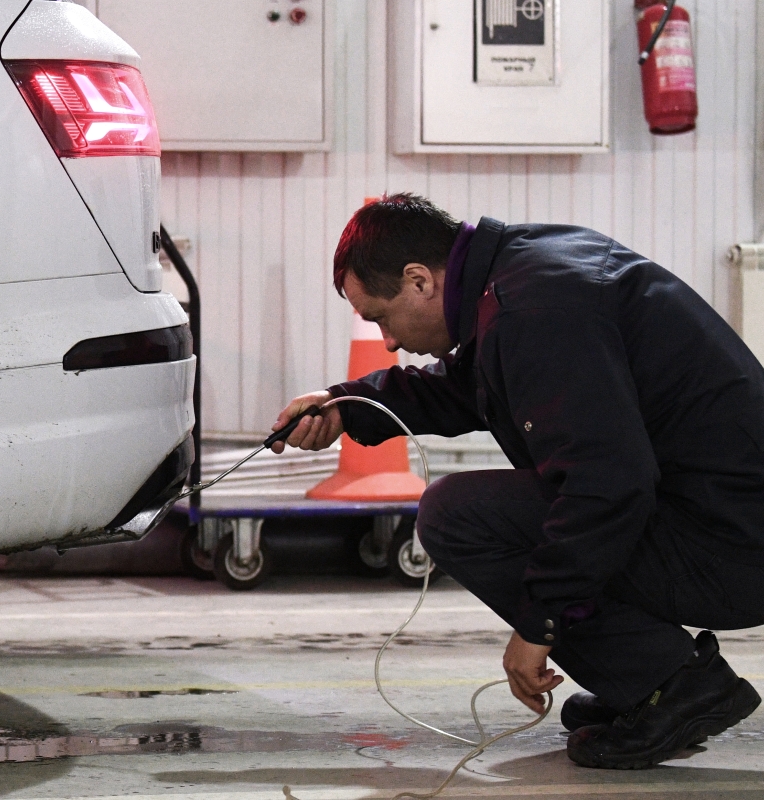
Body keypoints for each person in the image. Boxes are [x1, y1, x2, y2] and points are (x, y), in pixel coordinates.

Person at [272, 193, 764, 769]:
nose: (387, 341)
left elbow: (606, 486)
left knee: (457, 515)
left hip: (732, 549)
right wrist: (347, 405)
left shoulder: (534, 312)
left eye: (380, 316)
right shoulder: (525, 273)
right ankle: (649, 677)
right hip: (723, 521)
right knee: (494, 509)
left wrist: (538, 625)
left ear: (419, 280)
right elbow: (468, 386)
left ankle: (675, 685)